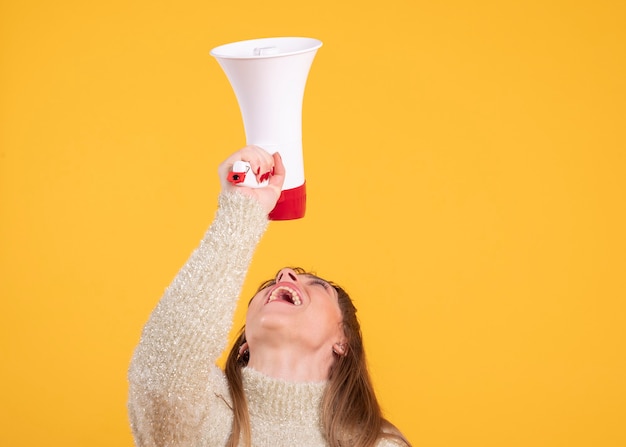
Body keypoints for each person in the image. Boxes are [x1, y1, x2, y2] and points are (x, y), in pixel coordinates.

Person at [128, 146, 411, 447]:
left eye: (317, 284)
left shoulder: (377, 443)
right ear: (244, 345)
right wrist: (241, 213)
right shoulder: (207, 414)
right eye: (265, 288)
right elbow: (163, 368)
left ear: (343, 342)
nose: (284, 274)